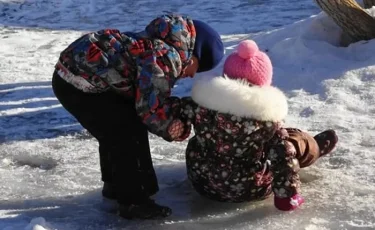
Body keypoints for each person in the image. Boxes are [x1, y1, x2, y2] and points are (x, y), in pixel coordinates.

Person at [51, 13, 225, 219]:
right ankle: (133, 201)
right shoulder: (168, 57)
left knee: (117, 127)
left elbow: (145, 94)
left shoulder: (158, 42)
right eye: (198, 66)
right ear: (193, 53)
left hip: (72, 76)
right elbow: (150, 109)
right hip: (79, 84)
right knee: (125, 132)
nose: (192, 74)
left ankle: (115, 187)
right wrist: (175, 128)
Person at [179, 40, 338, 211]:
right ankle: (313, 147)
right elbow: (282, 155)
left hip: (202, 182)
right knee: (291, 140)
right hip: (250, 188)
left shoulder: (202, 105)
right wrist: (287, 196)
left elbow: (175, 115)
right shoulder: (265, 122)